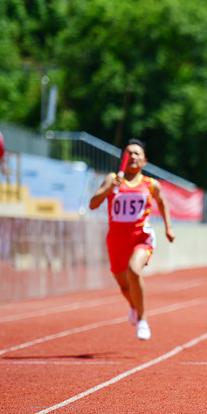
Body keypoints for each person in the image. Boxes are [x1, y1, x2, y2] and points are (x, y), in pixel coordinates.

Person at [89, 138, 175, 340]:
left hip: (141, 238)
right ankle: (134, 307)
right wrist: (108, 189)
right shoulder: (112, 179)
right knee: (124, 286)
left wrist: (168, 228)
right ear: (123, 159)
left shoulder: (151, 184)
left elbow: (162, 204)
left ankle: (142, 319)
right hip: (116, 240)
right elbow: (93, 204)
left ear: (144, 161)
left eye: (138, 153)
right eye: (129, 153)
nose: (134, 156)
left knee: (134, 272)